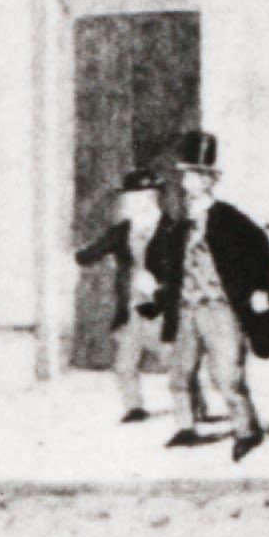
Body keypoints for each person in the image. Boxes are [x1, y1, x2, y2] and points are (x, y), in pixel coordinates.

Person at [147, 131, 269, 462]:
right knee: (180, 372)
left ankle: (246, 430)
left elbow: (259, 253)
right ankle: (186, 426)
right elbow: (159, 262)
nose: (187, 182)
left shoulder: (231, 220)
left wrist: (260, 291)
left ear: (209, 180)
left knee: (227, 374)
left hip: (220, 309)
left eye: (195, 175)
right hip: (185, 309)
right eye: (185, 175)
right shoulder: (178, 225)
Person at [76, 168, 171, 425]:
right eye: (131, 199)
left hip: (159, 307)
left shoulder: (171, 230)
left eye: (143, 198)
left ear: (154, 199)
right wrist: (80, 257)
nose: (135, 203)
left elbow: (181, 270)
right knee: (125, 363)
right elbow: (91, 252)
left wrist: (159, 286)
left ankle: (194, 407)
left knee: (172, 359)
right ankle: (134, 407)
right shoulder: (123, 231)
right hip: (131, 306)